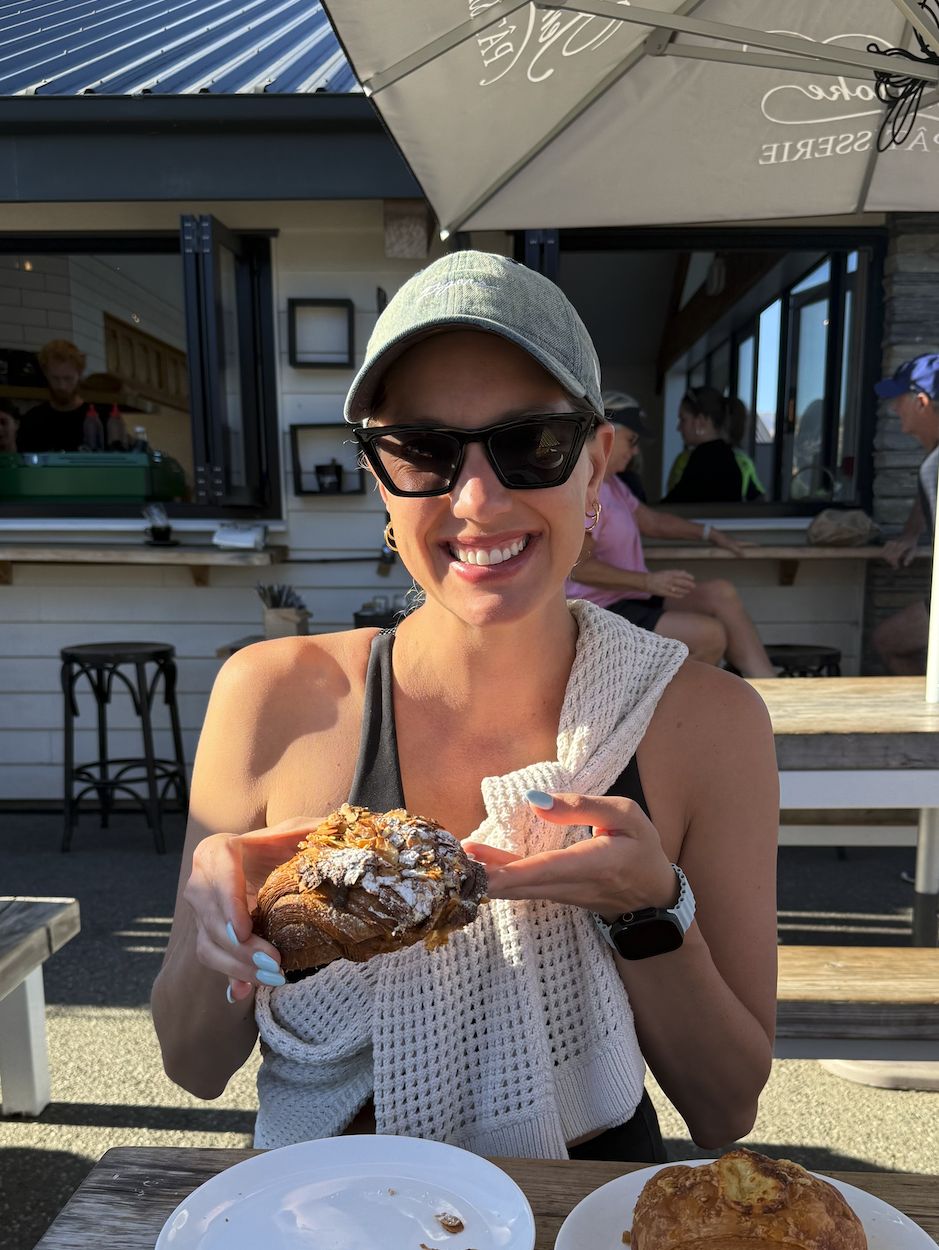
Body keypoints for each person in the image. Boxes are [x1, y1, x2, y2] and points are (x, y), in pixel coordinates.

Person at [152, 251, 778, 1164]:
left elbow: (726, 1110)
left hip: (582, 1235)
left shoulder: (706, 723)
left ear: (596, 465)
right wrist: (240, 921)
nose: (477, 500)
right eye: (423, 451)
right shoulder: (271, 697)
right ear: (380, 476)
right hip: (327, 1225)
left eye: (533, 445)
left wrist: (648, 910)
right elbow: (190, 1063)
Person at [567, 395, 778, 676]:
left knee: (720, 592)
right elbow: (579, 566)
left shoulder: (614, 483)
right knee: (709, 636)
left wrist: (712, 534)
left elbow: (653, 522)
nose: (634, 452)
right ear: (605, 435)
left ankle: (768, 687)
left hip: (632, 595)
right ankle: (668, 717)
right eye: (632, 441)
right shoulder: (585, 487)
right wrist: (649, 581)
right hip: (600, 609)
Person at [872, 353, 939, 675]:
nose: (893, 408)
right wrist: (911, 533)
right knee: (889, 640)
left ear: (921, 401)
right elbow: (933, 497)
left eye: (899, 399)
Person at [15, 339, 123, 453]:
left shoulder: (100, 419)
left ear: (79, 375)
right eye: (55, 378)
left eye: (68, 379)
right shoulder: (32, 420)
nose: (61, 386)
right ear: (45, 373)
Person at [664, 387, 765, 504]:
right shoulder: (725, 456)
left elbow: (678, 504)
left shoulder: (704, 460)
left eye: (683, 420)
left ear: (701, 421)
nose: (678, 427)